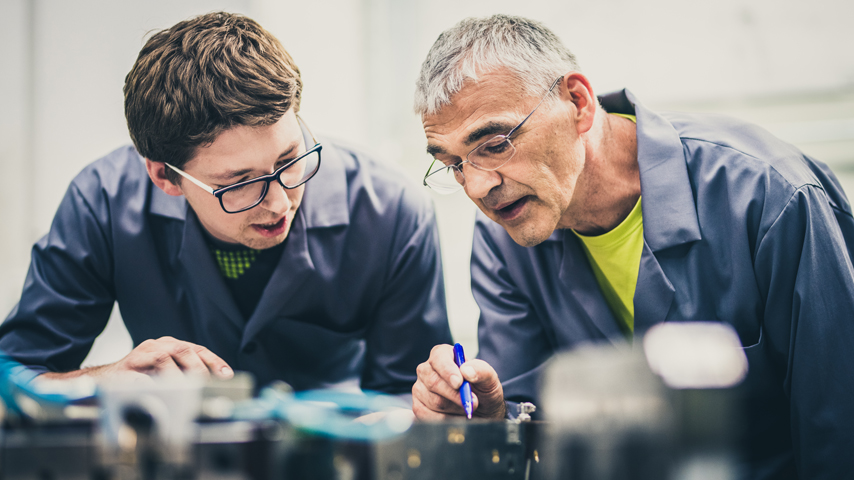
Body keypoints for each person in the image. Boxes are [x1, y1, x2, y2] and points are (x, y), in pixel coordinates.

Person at [410, 14, 854, 479]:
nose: (478, 187)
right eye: (454, 164)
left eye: (495, 144)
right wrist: (493, 420)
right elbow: (538, 430)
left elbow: (838, 430)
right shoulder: (504, 239)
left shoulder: (768, 197)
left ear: (578, 102)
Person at [0, 12, 452, 395]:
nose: (278, 202)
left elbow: (414, 407)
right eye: (239, 182)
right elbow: (14, 377)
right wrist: (107, 381)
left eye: (289, 159)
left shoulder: (392, 212)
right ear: (164, 176)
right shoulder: (101, 202)